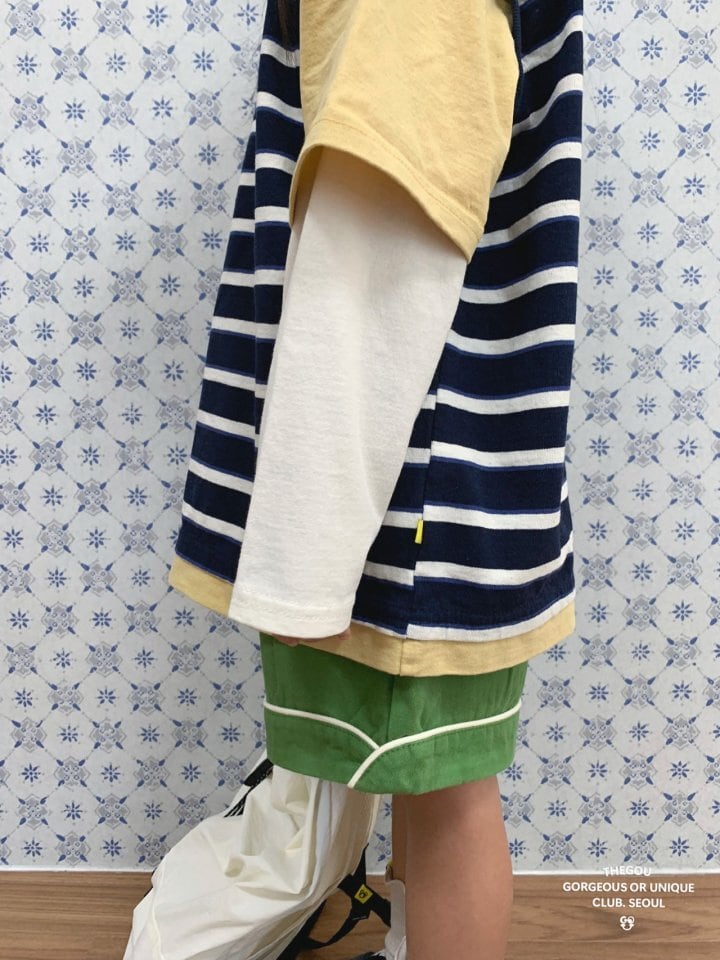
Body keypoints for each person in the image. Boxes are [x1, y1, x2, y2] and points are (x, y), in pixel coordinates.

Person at [168, 1, 584, 958]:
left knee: (446, 796)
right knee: (432, 785)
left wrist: (304, 564)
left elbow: (371, 273)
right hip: (442, 487)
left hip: (405, 511)